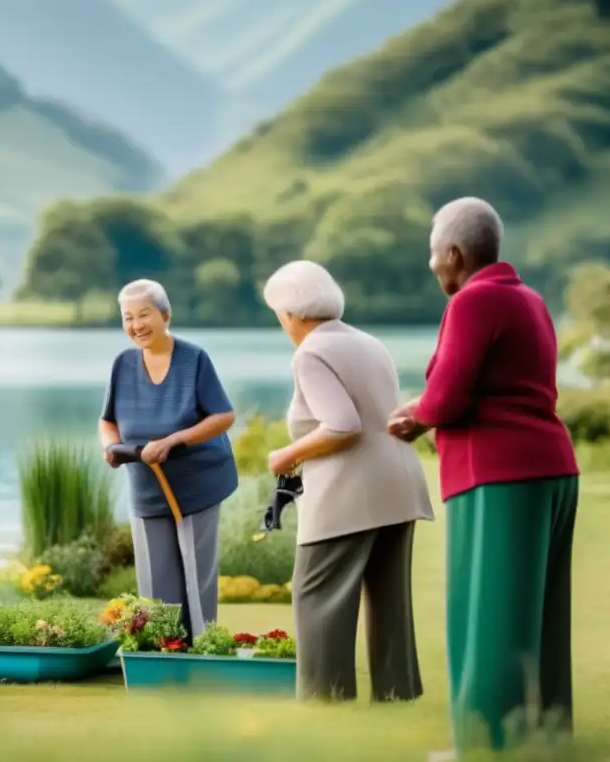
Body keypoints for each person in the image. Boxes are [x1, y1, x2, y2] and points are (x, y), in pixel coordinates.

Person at [388, 197, 579, 755]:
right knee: (539, 618)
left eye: (432, 255)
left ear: (452, 254)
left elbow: (448, 397)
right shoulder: (530, 300)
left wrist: (413, 418)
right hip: (551, 469)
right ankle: (541, 738)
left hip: (497, 475)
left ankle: (488, 745)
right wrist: (425, 406)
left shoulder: (473, 302)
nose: (431, 266)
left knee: (490, 617)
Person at [263, 260, 434, 702]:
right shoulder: (369, 342)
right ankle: (397, 694)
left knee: (316, 594)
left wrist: (287, 454)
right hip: (398, 483)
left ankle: (326, 697)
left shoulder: (312, 352)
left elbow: (341, 425)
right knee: (389, 599)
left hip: (349, 491)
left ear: (289, 313)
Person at [98, 279, 238, 641]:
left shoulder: (194, 358)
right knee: (156, 576)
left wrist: (175, 440)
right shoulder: (122, 364)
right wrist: (112, 446)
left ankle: (205, 645)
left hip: (197, 482)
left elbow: (223, 416)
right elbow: (107, 420)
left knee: (196, 572)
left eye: (144, 314)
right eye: (128, 317)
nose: (136, 325)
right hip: (146, 484)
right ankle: (166, 648)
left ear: (165, 314)